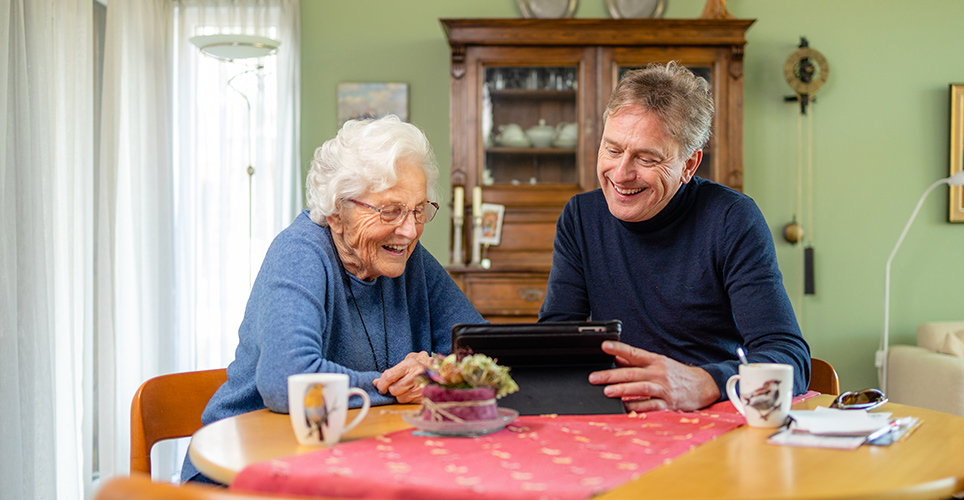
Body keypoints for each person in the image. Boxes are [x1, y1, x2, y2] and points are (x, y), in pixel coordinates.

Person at [182, 115, 484, 482]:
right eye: (390, 210)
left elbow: (481, 349)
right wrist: (397, 389)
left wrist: (433, 371)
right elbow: (288, 381)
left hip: (349, 463)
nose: (409, 229)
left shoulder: (407, 258)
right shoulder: (300, 253)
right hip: (244, 472)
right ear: (337, 212)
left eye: (419, 210)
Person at [539, 62, 810, 413]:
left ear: (689, 165)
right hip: (620, 415)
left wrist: (707, 382)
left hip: (710, 416)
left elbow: (789, 359)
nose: (621, 174)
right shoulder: (580, 217)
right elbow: (557, 345)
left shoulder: (732, 219)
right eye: (612, 149)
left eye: (647, 158)